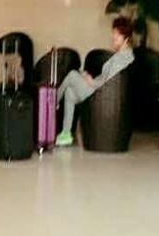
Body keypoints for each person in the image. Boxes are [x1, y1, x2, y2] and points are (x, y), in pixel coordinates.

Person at [55, 16, 135, 147]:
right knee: (70, 92)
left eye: (117, 35)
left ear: (126, 38)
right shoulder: (123, 55)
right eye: (114, 33)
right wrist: (88, 77)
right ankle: (66, 134)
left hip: (99, 91)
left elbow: (110, 82)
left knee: (72, 74)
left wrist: (91, 81)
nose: (113, 37)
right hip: (97, 87)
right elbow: (107, 78)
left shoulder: (123, 58)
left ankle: (53, 101)